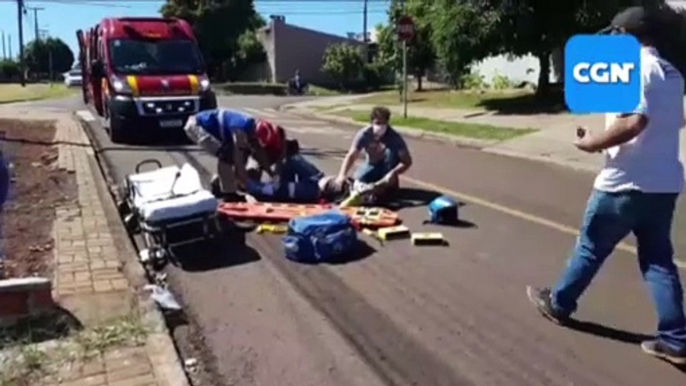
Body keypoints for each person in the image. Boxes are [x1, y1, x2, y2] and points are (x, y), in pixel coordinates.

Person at [526, 6, 686, 365]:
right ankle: (676, 339)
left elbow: (635, 122)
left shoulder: (639, 70)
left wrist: (591, 143)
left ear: (629, 36)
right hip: (663, 184)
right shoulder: (672, 73)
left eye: (616, 33)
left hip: (624, 183)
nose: (612, 40)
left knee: (590, 247)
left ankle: (559, 303)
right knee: (658, 261)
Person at [183, 108, 274, 201]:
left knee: (243, 152)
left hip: (213, 128)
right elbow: (238, 161)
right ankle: (229, 194)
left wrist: (272, 174)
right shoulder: (240, 129)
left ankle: (218, 184)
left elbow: (259, 152)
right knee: (226, 155)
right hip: (197, 126)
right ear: (254, 133)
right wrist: (250, 185)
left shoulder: (253, 128)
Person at [333, 106, 412, 203]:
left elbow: (407, 161)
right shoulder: (364, 134)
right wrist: (342, 175)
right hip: (372, 164)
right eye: (378, 123)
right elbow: (352, 155)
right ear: (372, 122)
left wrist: (394, 172)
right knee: (358, 180)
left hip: (388, 167)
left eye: (383, 123)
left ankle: (388, 184)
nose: (380, 127)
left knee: (390, 156)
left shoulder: (394, 137)